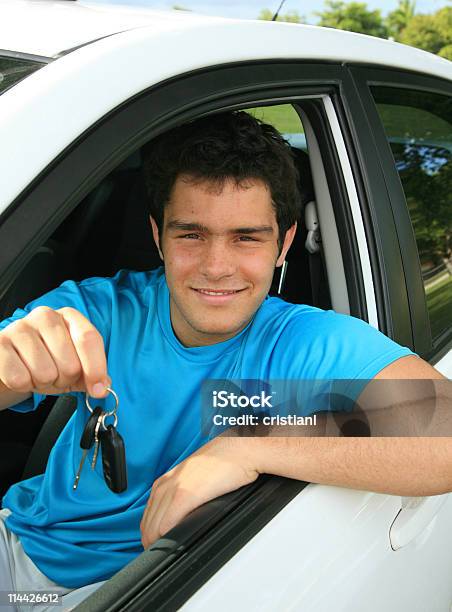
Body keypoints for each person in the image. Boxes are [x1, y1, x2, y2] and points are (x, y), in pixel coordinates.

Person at [0, 111, 449, 608]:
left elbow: (444, 428)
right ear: (158, 236)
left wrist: (245, 445)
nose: (216, 267)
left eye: (246, 237)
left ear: (284, 245)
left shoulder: (303, 341)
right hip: (19, 545)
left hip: (146, 586)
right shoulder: (101, 310)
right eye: (191, 234)